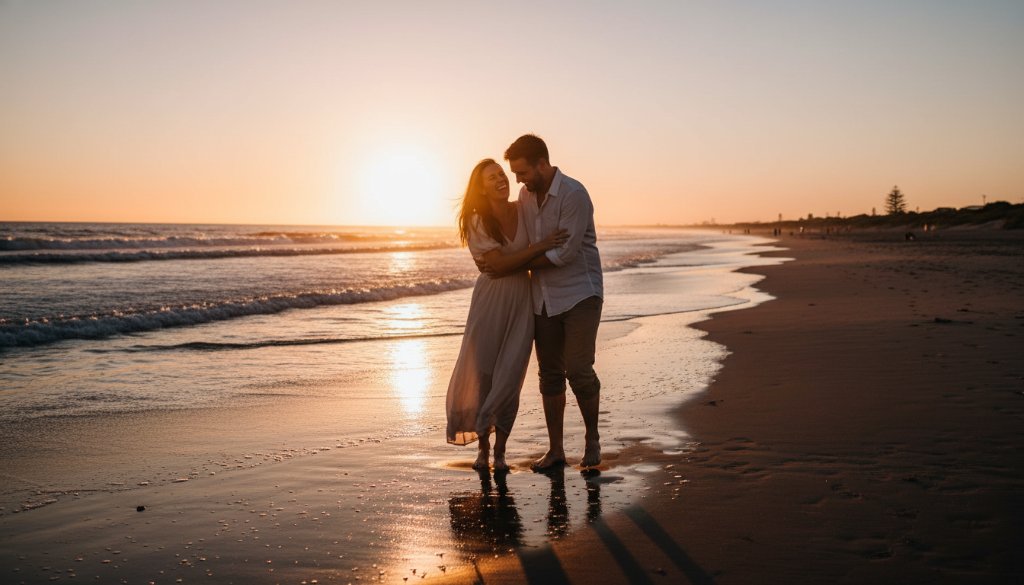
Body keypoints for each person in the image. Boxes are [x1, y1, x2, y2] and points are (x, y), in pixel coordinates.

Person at [446, 158, 568, 471]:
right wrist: (537, 248)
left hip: (522, 300)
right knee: (484, 372)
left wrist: (516, 260)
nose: (501, 179)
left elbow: (505, 263)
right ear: (481, 188)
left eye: (501, 174)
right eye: (492, 178)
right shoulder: (477, 220)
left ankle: (500, 453)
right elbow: (497, 266)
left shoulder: (522, 209)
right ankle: (483, 451)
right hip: (490, 301)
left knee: (510, 375)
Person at [501, 134, 604, 470]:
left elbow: (564, 253)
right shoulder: (525, 196)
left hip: (580, 293)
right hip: (542, 297)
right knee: (549, 375)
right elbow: (529, 243)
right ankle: (556, 450)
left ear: (542, 163)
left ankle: (592, 438)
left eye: (522, 172)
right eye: (515, 174)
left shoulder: (574, 194)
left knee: (579, 370)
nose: (519, 180)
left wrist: (518, 263)